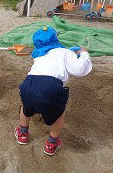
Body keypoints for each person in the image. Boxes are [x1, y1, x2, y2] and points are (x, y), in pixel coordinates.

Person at [14, 26, 92, 156]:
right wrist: (84, 53)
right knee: (58, 114)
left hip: (28, 85)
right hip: (50, 89)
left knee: (26, 106)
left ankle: (23, 133)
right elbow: (81, 70)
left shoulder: (38, 56)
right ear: (56, 39)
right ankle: (51, 143)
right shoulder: (64, 52)